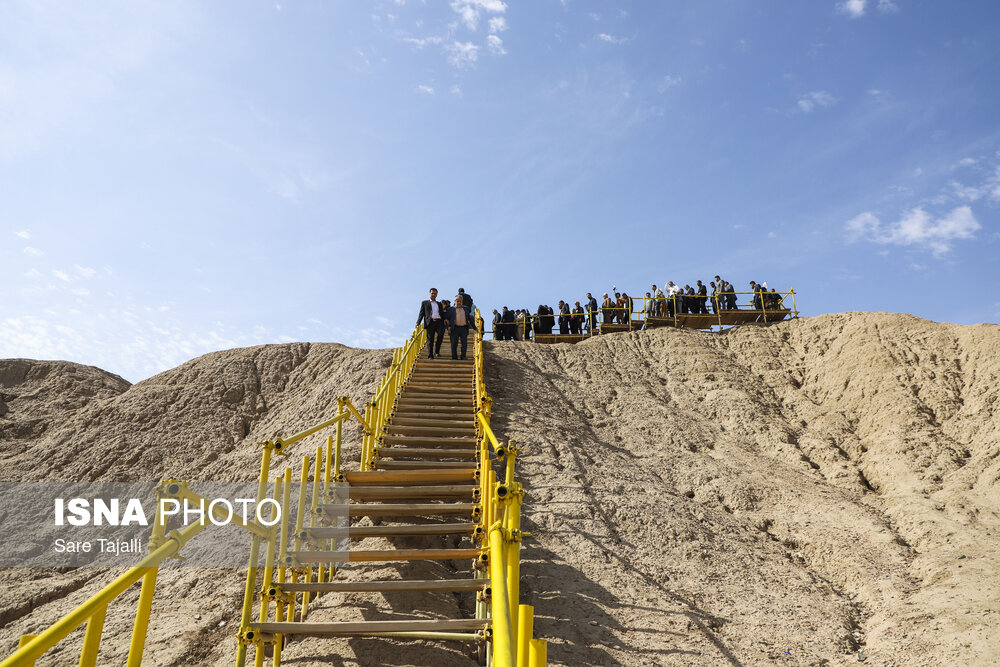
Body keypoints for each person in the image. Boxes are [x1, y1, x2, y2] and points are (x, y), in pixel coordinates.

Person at [416, 288, 446, 359]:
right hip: (430, 322)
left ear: (436, 295)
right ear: (429, 294)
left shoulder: (439, 304)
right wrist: (418, 322)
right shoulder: (424, 303)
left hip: (439, 322)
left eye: (435, 293)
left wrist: (445, 320)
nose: (433, 295)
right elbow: (421, 313)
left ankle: (437, 351)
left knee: (441, 335)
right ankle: (430, 355)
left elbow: (442, 313)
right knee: (430, 339)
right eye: (432, 293)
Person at [446, 295, 476, 359]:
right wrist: (448, 327)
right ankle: (454, 357)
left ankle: (463, 356)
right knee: (454, 343)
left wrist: (475, 328)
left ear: (462, 301)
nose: (459, 302)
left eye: (460, 301)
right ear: (455, 301)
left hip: (464, 328)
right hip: (454, 328)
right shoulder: (450, 309)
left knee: (464, 344)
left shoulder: (466, 308)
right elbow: (446, 319)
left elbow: (469, 319)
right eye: (457, 301)